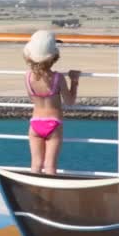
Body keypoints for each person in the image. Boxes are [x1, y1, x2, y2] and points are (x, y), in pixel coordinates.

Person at [23, 30, 80, 175]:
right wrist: (74, 81)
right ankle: (49, 195)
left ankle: (34, 192)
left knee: (35, 165)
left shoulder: (27, 77)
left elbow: (32, 98)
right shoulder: (57, 78)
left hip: (35, 124)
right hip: (53, 124)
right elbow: (70, 101)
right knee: (50, 167)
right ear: (54, 57)